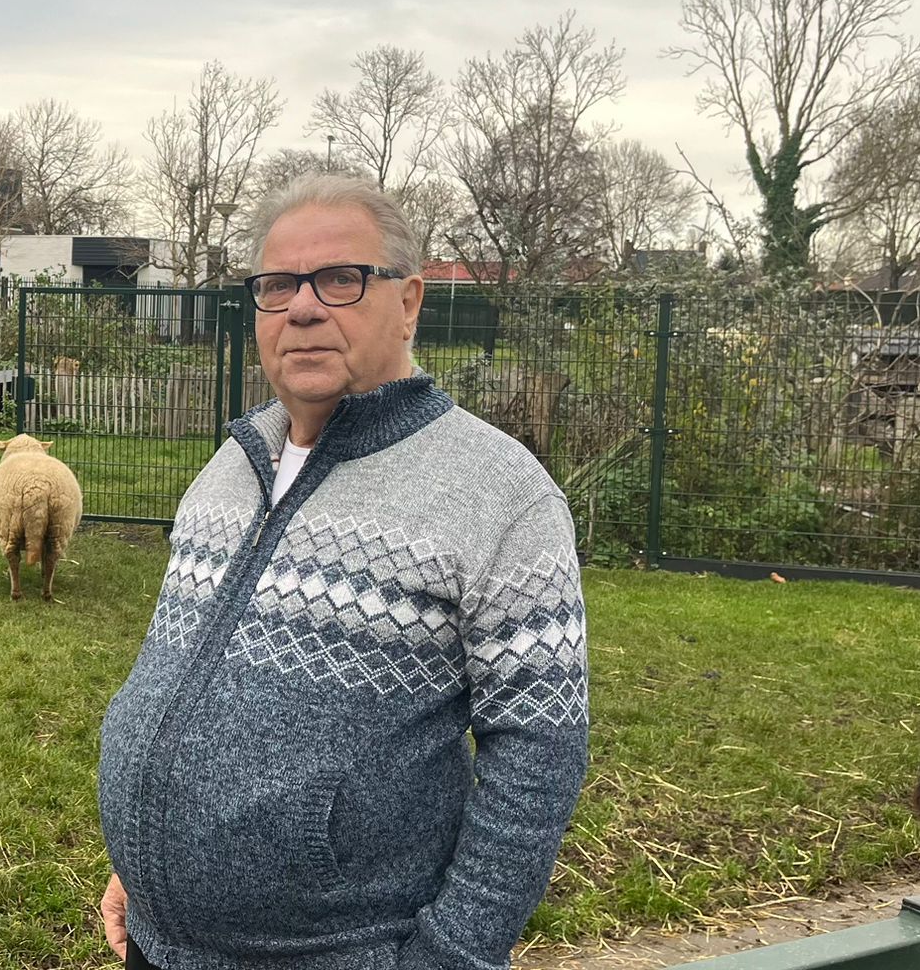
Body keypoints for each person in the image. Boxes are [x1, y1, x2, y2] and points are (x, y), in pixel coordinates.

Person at [96, 175, 589, 970]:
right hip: (158, 944)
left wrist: (449, 958)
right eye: (278, 284)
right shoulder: (231, 464)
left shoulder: (501, 493)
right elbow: (180, 682)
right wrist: (148, 864)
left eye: (339, 279)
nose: (302, 308)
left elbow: (539, 757)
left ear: (409, 301)